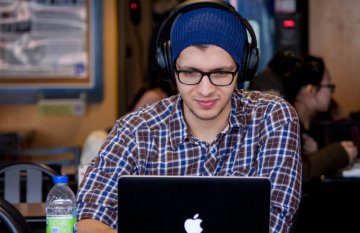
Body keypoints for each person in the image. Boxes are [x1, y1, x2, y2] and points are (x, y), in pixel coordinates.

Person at [76, 1, 302, 232]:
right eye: (189, 73)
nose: (205, 90)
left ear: (242, 68)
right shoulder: (135, 128)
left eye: (221, 73)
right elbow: (90, 217)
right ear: (170, 69)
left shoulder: (273, 118)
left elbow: (275, 223)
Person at [280, 55, 358, 184]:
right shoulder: (284, 124)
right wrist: (338, 153)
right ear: (310, 90)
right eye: (329, 86)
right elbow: (290, 176)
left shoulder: (314, 122)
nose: (331, 92)